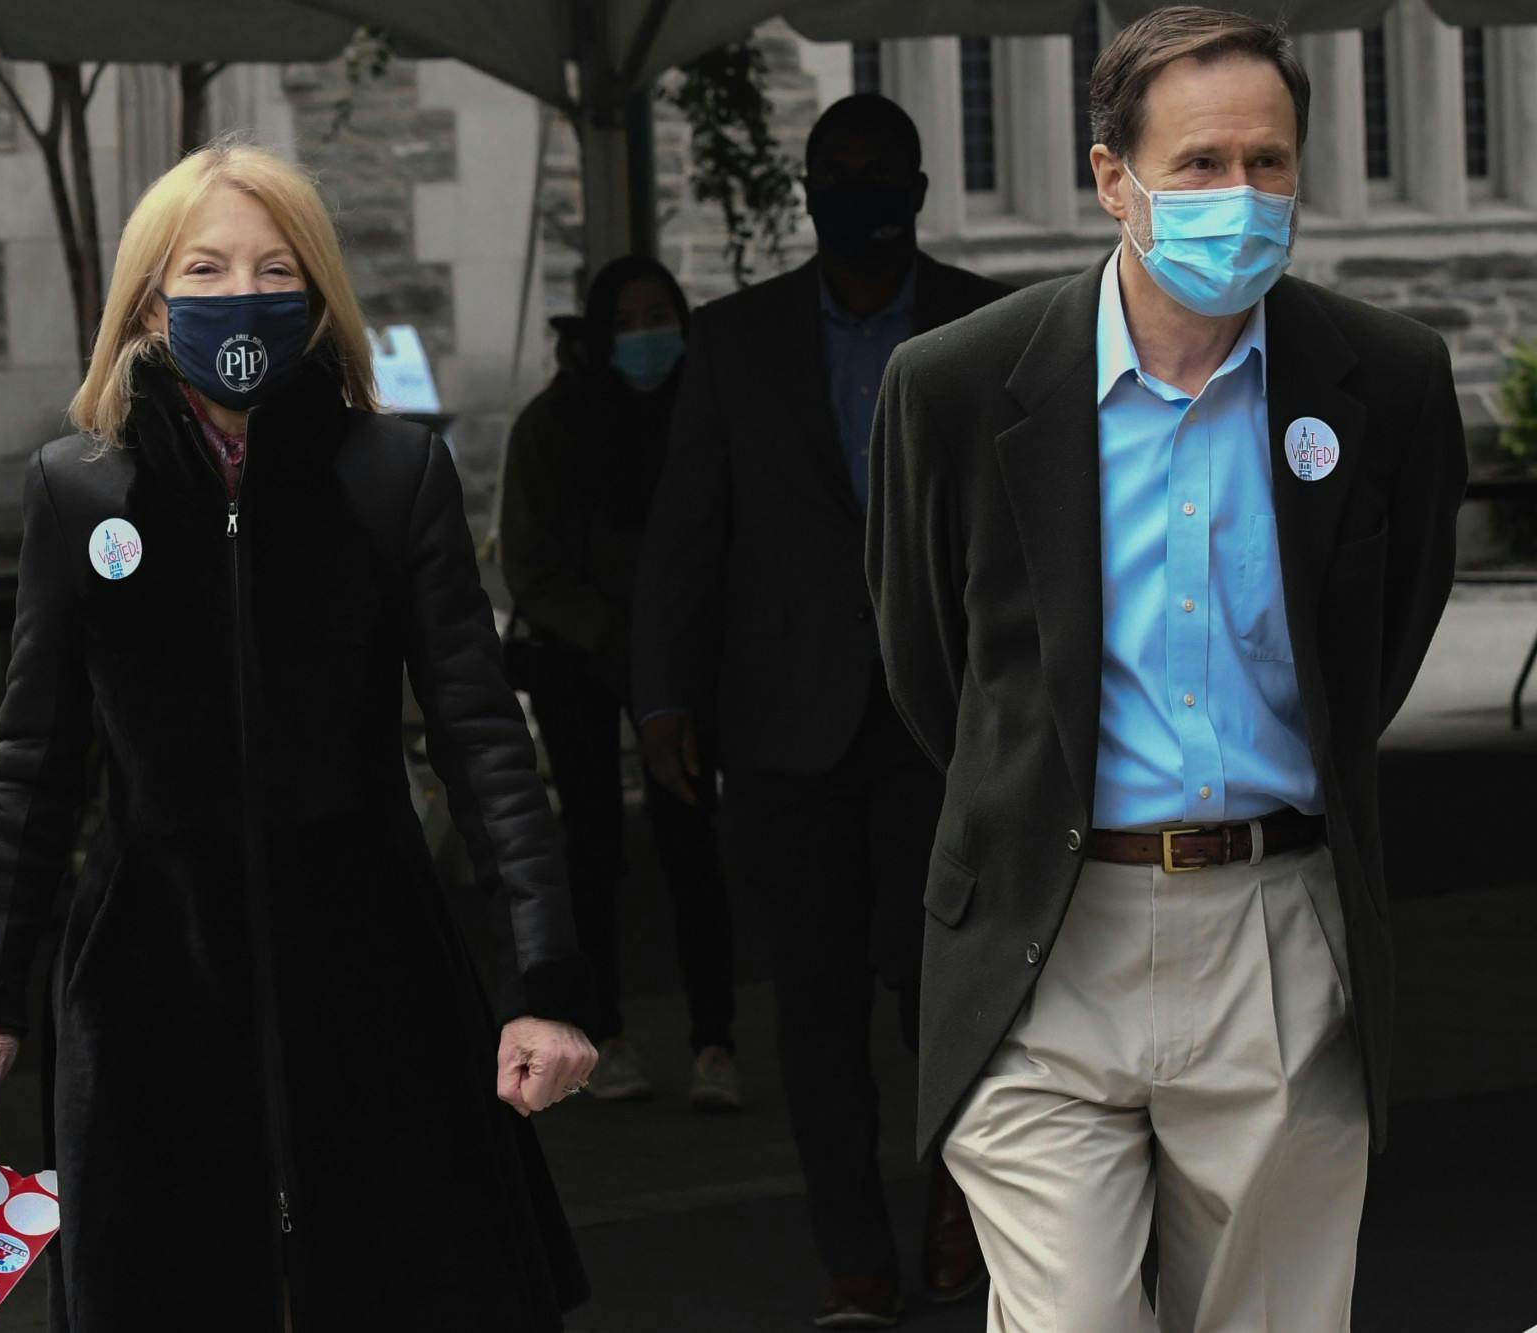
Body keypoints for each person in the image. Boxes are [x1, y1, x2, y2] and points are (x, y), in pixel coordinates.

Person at [0, 140, 600, 1333]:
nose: (242, 292)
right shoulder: (80, 489)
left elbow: (482, 737)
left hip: (376, 982)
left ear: (319, 290)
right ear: (149, 295)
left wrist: (544, 979)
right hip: (146, 995)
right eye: (208, 265)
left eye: (275, 265)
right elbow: (31, 761)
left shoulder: (393, 476)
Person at [867, 10, 1467, 1332]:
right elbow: (934, 667)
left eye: (1270, 162)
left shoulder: (1391, 381)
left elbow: (1385, 635)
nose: (1240, 198)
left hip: (1276, 929)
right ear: (1111, 177)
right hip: (1044, 925)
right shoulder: (958, 386)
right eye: (1199, 165)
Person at [632, 94, 1008, 1327]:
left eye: (878, 169)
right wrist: (664, 695)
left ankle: (958, 1197)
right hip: (784, 723)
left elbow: (1026, 524)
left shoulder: (984, 327)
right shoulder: (735, 342)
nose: (858, 190)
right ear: (806, 189)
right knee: (814, 1004)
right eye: (835, 170)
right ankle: (851, 1244)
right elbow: (688, 531)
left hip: (940, 720)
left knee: (941, 984)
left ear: (915, 183)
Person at [500, 254, 741, 1110]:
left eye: (660, 315)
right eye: (630, 320)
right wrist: (607, 633)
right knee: (591, 848)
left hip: (677, 663)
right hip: (581, 661)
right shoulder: (553, 429)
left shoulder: (701, 420)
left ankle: (716, 1038)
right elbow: (530, 562)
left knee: (690, 847)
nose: (648, 337)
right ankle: (602, 1034)